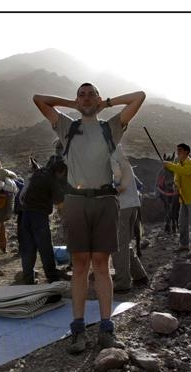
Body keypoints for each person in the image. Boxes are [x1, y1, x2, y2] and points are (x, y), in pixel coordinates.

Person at [33, 83, 145, 353]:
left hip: (105, 201)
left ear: (98, 98)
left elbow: (138, 97)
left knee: (102, 265)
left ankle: (107, 327)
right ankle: (78, 328)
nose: (86, 98)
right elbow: (39, 98)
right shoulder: (66, 126)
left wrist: (105, 103)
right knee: (80, 265)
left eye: (90, 93)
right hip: (76, 201)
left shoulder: (110, 127)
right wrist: (73, 105)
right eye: (81, 94)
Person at [18, 153, 68, 284]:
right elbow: (59, 201)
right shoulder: (52, 179)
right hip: (39, 217)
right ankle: (52, 278)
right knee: (45, 248)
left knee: (28, 249)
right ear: (60, 171)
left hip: (25, 216)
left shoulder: (39, 173)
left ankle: (28, 279)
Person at [111, 158, 149, 292]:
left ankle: (123, 283)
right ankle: (139, 275)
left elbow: (117, 184)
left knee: (117, 245)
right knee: (124, 243)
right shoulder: (120, 156)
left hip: (122, 206)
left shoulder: (112, 159)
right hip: (132, 204)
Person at [164, 143, 191, 258]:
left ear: (187, 152)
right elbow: (177, 176)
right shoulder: (179, 164)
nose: (178, 153)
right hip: (184, 198)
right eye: (177, 150)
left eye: (180, 150)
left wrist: (169, 165)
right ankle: (184, 245)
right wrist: (176, 185)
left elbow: (184, 171)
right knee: (182, 223)